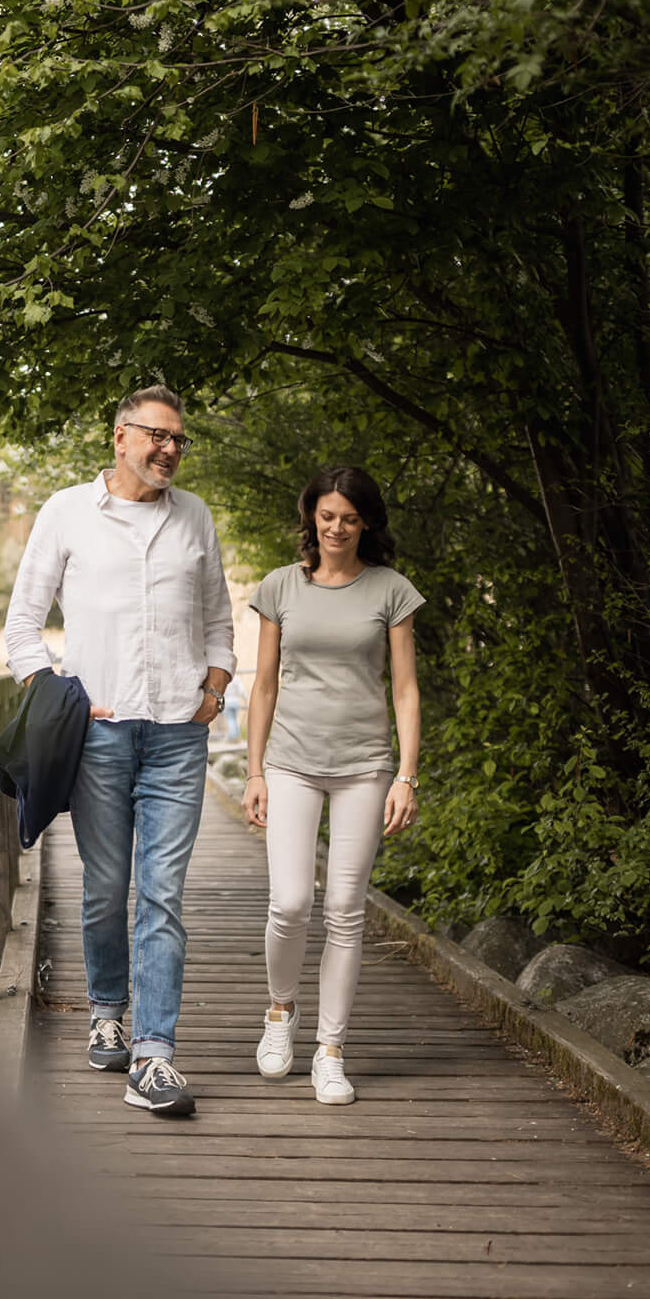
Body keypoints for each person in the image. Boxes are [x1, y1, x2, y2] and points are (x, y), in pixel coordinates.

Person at [4, 386, 234, 1117]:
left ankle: (154, 1055)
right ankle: (107, 1007)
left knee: (161, 895)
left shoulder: (193, 517)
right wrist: (58, 691)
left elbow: (220, 619)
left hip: (179, 737)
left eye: (179, 440)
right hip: (99, 736)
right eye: (157, 435)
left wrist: (216, 688)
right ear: (119, 437)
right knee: (106, 890)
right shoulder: (67, 512)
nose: (169, 449)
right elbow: (21, 626)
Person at [242, 465, 422, 1105]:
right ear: (310, 518)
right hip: (290, 760)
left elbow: (404, 688)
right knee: (290, 903)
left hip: (365, 767)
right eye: (326, 516)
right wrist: (254, 770)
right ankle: (280, 1011)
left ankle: (331, 1050)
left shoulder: (391, 590)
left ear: (366, 522)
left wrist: (406, 774)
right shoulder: (279, 587)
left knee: (346, 911)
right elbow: (263, 685)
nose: (336, 528)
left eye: (349, 518)